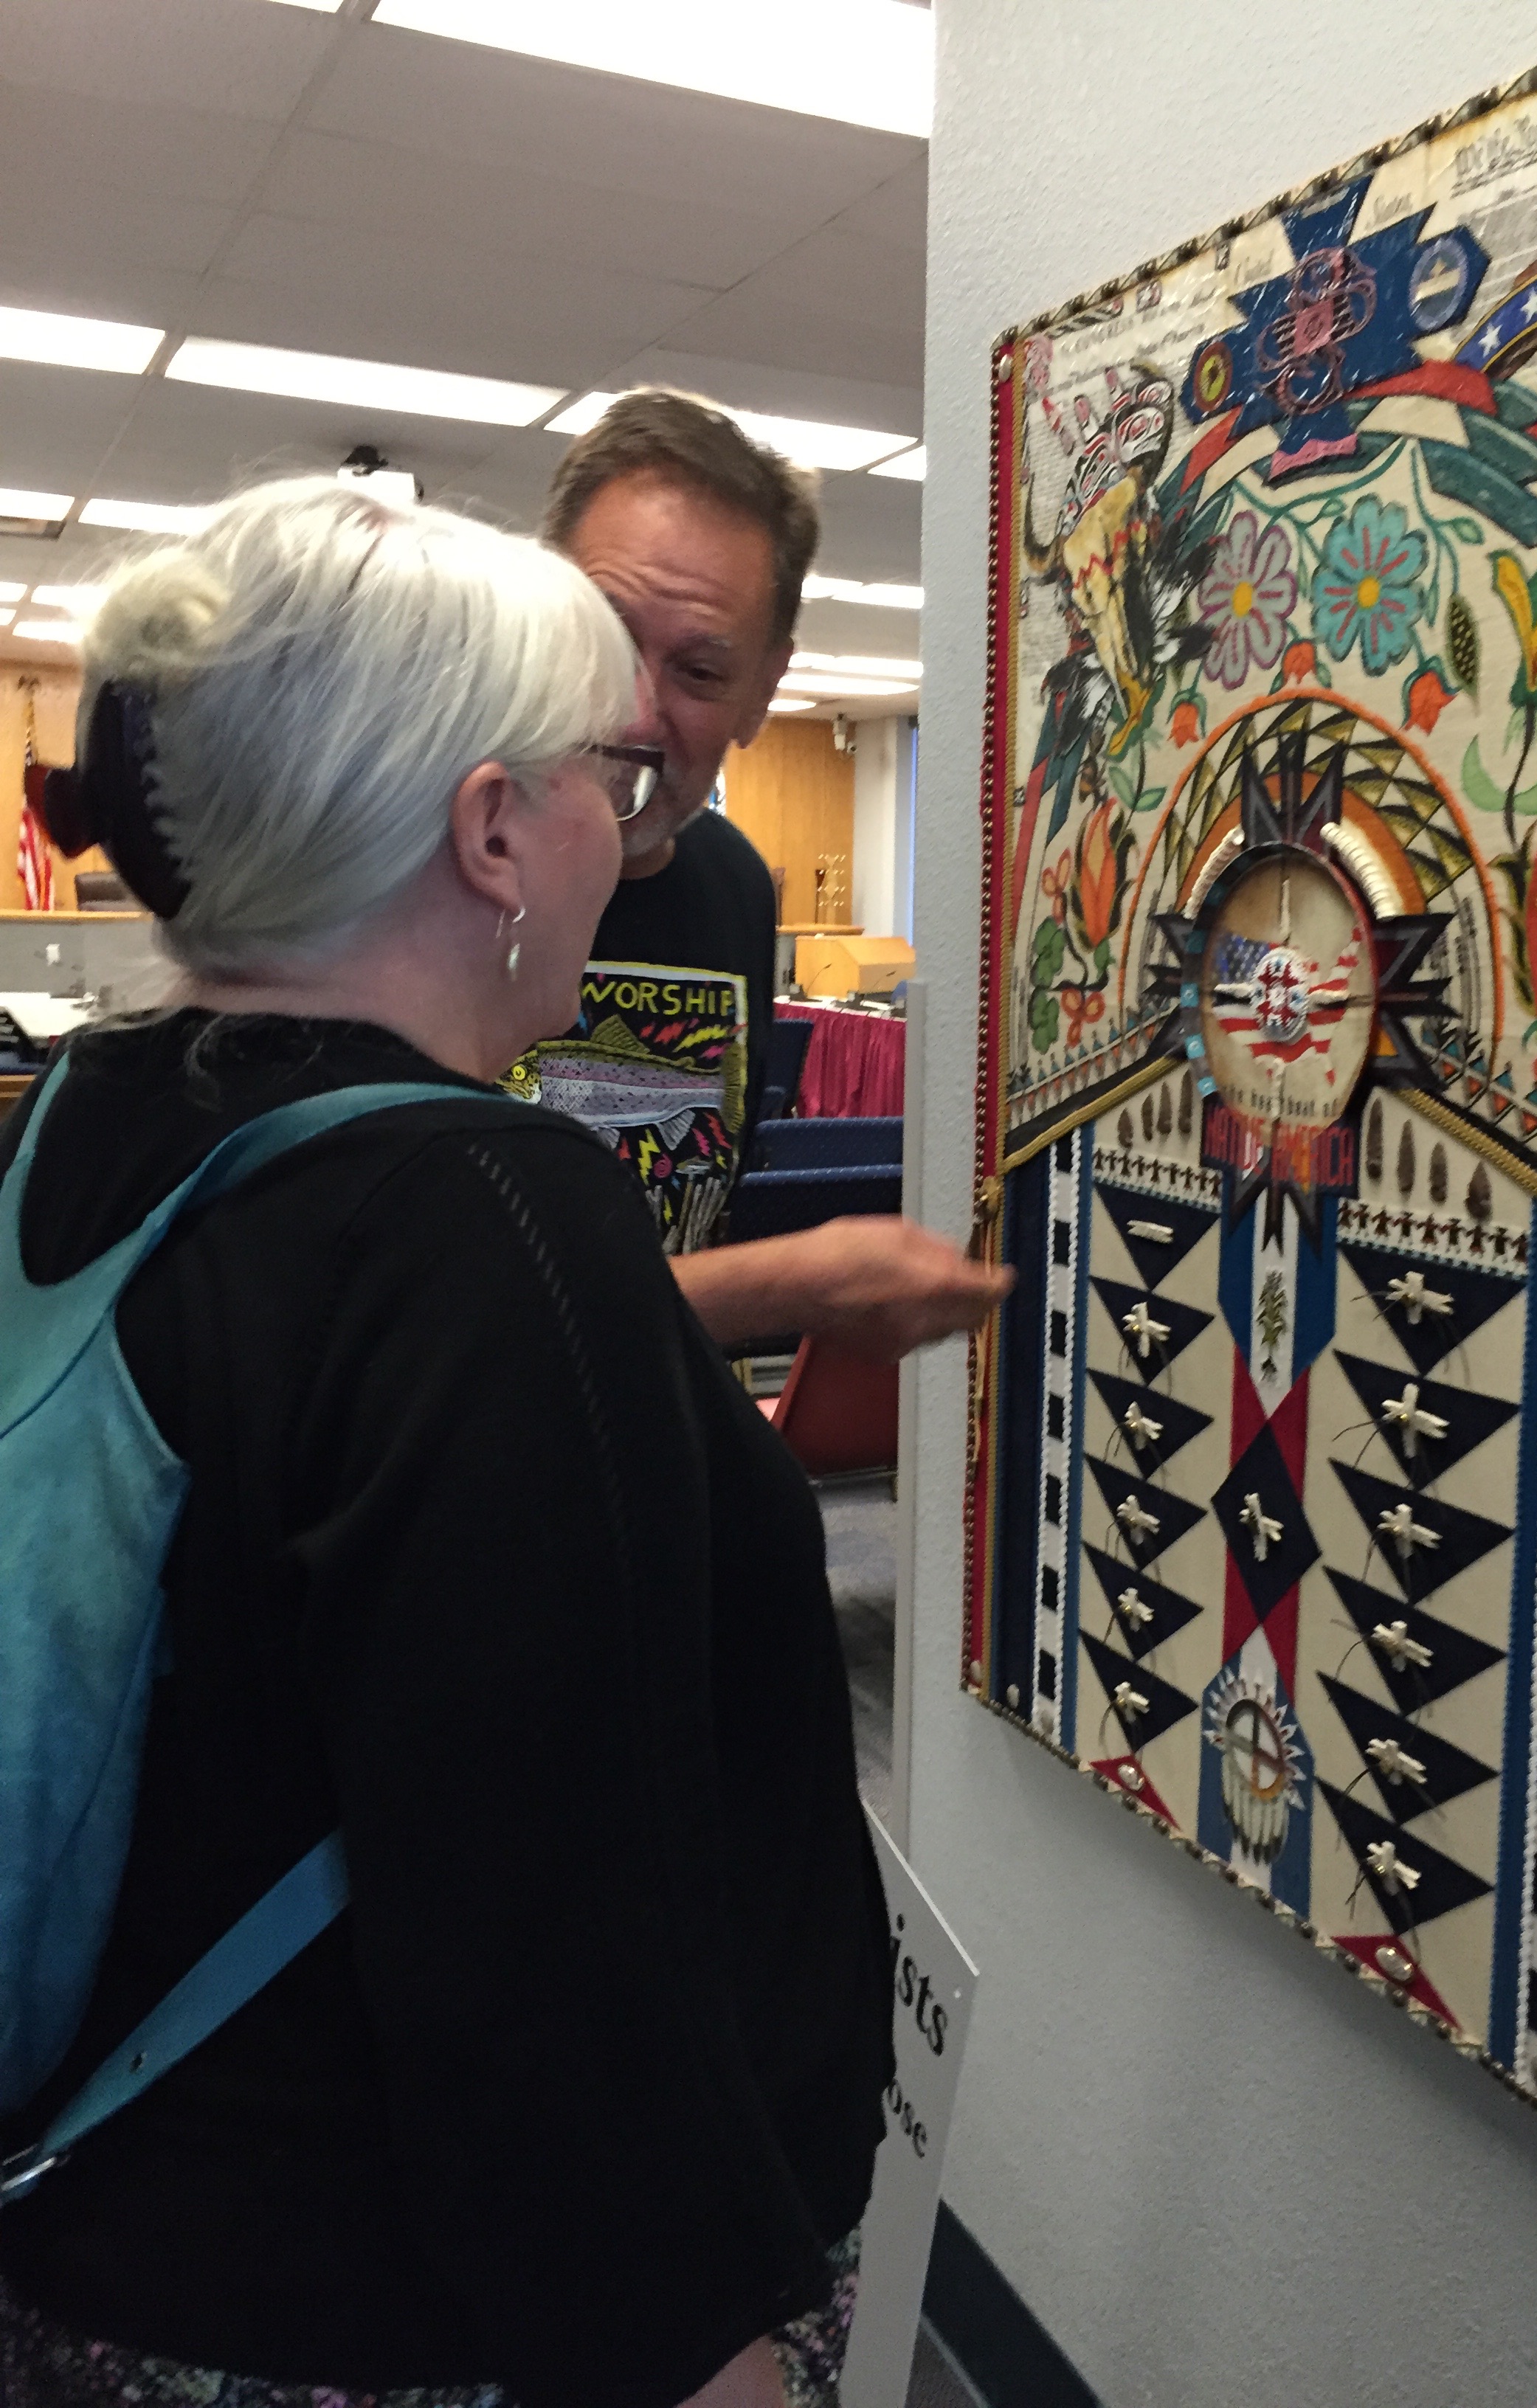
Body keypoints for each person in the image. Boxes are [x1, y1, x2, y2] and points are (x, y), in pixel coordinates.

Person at [0, 477, 894, 2408]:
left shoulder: (91, 1112)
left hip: (101, 2211)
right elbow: (546, 1947)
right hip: (362, 2309)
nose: (624, 836)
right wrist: (705, 2357)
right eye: (602, 778)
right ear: (493, 830)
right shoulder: (486, 1219)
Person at [533, 388, 1007, 1356]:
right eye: (603, 637)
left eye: (701, 673)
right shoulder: (404, 867)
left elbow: (696, 1213)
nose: (634, 713)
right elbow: (408, 1307)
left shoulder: (735, 887)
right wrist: (783, 1287)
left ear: (763, 691)